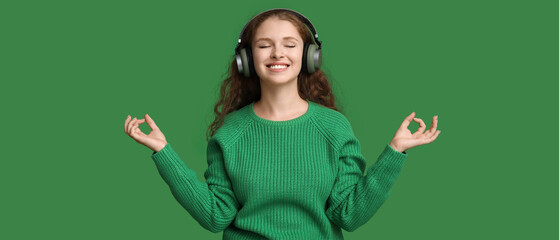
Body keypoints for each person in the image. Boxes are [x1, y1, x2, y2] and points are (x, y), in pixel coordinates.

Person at [124, 8, 440, 239]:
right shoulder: (231, 133)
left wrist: (394, 152)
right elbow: (215, 216)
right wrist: (163, 152)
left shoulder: (334, 128)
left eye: (290, 44)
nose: (278, 53)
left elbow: (349, 215)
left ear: (310, 55)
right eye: (264, 45)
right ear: (246, 59)